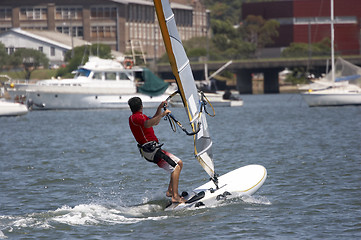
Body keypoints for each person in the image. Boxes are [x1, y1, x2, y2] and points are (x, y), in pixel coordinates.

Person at [128, 97, 186, 203]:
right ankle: (175, 197)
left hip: (154, 149)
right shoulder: (136, 117)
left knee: (179, 163)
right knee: (176, 167)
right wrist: (162, 114)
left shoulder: (140, 116)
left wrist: (159, 108)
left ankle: (170, 191)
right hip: (150, 151)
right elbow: (148, 124)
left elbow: (154, 122)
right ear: (141, 106)